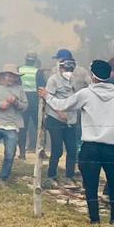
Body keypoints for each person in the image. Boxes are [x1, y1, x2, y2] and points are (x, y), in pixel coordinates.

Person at [40, 60, 114, 224]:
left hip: (90, 147)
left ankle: (94, 219)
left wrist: (47, 96)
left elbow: (63, 105)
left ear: (93, 76)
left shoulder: (85, 94)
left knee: (90, 185)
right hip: (113, 148)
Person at [42, 49, 90, 186]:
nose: (67, 70)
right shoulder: (53, 79)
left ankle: (69, 176)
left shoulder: (76, 78)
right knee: (57, 149)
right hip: (55, 118)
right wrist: (59, 112)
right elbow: (48, 98)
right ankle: (51, 176)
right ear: (60, 66)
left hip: (72, 118)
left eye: (70, 68)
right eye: (64, 67)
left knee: (72, 149)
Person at [17, 53, 42, 156]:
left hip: (22, 99)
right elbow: (41, 86)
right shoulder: (38, 72)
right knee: (39, 127)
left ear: (25, 59)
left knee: (23, 127)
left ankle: (22, 152)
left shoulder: (19, 70)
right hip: (34, 100)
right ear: (35, 60)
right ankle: (40, 150)